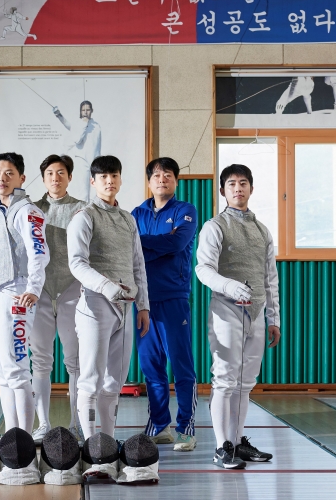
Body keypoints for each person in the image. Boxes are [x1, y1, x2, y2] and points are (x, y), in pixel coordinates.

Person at [196, 164, 280, 470]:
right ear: (222, 191)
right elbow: (203, 269)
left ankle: (237, 441)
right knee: (225, 379)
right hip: (226, 309)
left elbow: (270, 278)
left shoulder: (262, 230)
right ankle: (222, 447)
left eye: (243, 183)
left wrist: (274, 318)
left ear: (251, 189)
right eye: (231, 184)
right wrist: (230, 286)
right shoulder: (214, 226)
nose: (237, 188)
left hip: (256, 313)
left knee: (245, 383)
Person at [67, 155, 150, 440]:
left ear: (120, 179)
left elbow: (138, 265)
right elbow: (76, 263)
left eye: (114, 175)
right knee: (91, 380)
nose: (109, 181)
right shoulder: (84, 216)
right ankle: (92, 444)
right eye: (103, 176)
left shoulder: (128, 219)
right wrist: (105, 286)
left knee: (115, 382)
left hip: (126, 308)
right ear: (93, 181)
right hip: (95, 306)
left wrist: (144, 306)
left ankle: (108, 440)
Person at [0, 152, 50, 433]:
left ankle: (24, 440)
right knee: (2, 374)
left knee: (17, 373)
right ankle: (11, 436)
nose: (2, 178)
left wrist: (33, 288)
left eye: (9, 173)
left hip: (15, 294)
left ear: (21, 178)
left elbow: (38, 252)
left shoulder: (27, 211)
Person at [131, 157, 198, 451]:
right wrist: (161, 242)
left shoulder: (185, 210)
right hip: (143, 300)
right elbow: (130, 249)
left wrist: (144, 242)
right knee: (151, 366)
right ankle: (159, 426)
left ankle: (186, 428)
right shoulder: (137, 213)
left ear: (176, 181)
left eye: (168, 175)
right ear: (149, 182)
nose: (162, 179)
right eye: (157, 175)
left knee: (181, 365)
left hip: (173, 296)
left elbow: (177, 244)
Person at [30, 154, 87, 444]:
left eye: (61, 172)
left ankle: (77, 424)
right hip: (39, 293)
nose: (55, 178)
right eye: (50, 173)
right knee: (40, 361)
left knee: (75, 362)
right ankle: (43, 424)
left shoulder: (82, 209)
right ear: (43, 178)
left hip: (71, 290)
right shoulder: (31, 209)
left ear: (70, 177)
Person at [52, 101, 101, 202]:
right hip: (82, 162)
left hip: (94, 163)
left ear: (91, 111)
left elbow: (97, 146)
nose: (85, 112)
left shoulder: (96, 126)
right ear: (80, 112)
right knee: (83, 192)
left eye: (88, 110)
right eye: (83, 110)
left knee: (97, 192)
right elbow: (76, 136)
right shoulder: (79, 125)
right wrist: (59, 115)